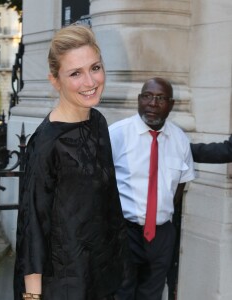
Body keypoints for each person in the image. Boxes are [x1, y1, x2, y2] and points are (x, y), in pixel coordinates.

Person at [13, 24, 128, 300]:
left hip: (104, 278)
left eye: (95, 68)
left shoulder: (98, 122)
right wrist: (32, 298)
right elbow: (33, 231)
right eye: (75, 73)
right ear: (55, 80)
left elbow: (107, 206)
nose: (90, 82)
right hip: (65, 287)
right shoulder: (46, 143)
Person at [109, 77, 196, 300]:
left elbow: (180, 186)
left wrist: (158, 212)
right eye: (147, 96)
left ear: (171, 104)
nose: (153, 104)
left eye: (160, 98)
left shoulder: (179, 140)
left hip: (161, 235)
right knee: (121, 293)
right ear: (139, 100)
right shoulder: (117, 134)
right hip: (125, 232)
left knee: (152, 294)